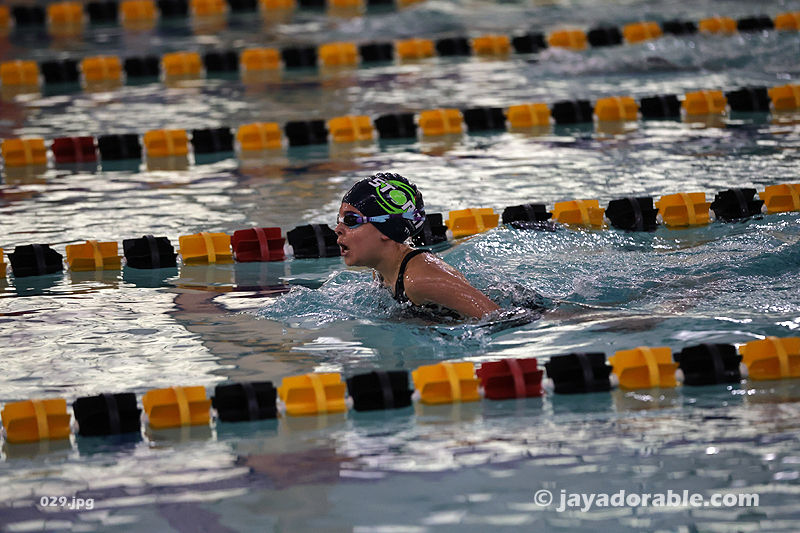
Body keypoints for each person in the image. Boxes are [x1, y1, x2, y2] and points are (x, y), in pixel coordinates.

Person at [334, 173, 501, 319]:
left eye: (351, 220)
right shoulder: (381, 271)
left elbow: (499, 317)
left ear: (388, 229)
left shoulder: (419, 281)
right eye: (339, 220)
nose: (338, 229)